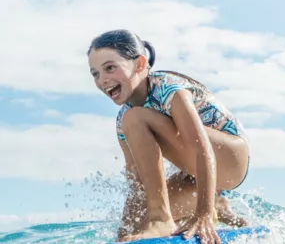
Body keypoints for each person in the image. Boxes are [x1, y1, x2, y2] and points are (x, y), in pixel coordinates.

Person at [86, 29, 251, 244]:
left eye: (110, 68)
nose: (102, 80)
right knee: (140, 221)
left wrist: (203, 215)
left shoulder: (169, 89)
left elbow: (203, 150)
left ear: (140, 64)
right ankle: (218, 205)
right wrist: (126, 234)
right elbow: (137, 183)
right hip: (195, 173)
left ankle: (183, 214)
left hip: (230, 156)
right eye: (95, 74)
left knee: (134, 118)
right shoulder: (123, 120)